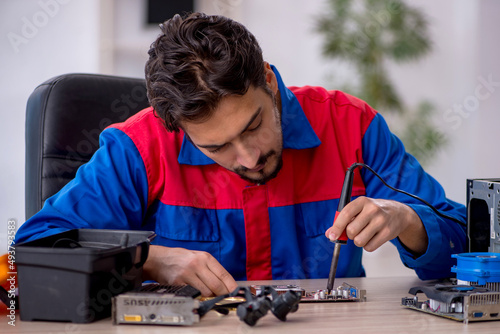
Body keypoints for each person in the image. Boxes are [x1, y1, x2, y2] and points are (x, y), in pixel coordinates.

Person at [16, 12, 466, 297]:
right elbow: (32, 254)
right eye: (215, 147)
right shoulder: (139, 147)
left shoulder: (351, 126)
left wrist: (407, 221)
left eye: (253, 125)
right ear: (175, 129)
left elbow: (470, 250)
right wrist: (147, 259)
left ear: (269, 82)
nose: (248, 157)